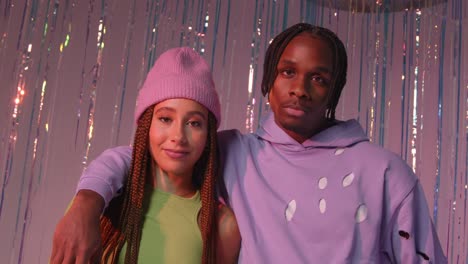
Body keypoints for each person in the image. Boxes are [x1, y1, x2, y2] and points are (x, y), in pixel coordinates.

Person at [52, 23, 447, 263]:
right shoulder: (236, 152)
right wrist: (86, 203)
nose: (300, 89)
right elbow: (140, 156)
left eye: (319, 78)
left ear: (334, 91)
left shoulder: (384, 171)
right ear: (267, 85)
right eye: (288, 72)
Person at [51, 47, 240, 264]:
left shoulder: (220, 225)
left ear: (208, 136)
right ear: (146, 126)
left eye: (194, 123)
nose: (178, 136)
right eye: (165, 119)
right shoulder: (95, 204)